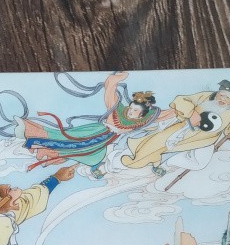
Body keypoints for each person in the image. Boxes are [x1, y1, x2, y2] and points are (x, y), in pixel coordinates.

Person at [17, 71, 160, 177]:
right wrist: (118, 78)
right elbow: (110, 87)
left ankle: (45, 152)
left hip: (105, 142)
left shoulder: (141, 121)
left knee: (90, 156)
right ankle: (30, 133)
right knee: (67, 138)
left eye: (135, 110)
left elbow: (161, 115)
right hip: (95, 131)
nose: (131, 111)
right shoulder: (118, 109)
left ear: (141, 114)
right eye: (131, 107)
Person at [120, 80, 230, 175]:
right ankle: (134, 161)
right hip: (184, 128)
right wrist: (191, 113)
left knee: (199, 163)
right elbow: (181, 99)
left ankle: (166, 165)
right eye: (221, 95)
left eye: (227, 97)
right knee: (157, 142)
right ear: (217, 93)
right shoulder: (206, 96)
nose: (223, 99)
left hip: (205, 139)